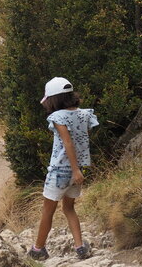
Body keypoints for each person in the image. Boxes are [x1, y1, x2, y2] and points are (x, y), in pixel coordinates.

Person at [28, 77, 98, 261]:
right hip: (78, 171)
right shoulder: (85, 114)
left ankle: (38, 249)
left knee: (47, 211)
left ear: (54, 99)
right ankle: (80, 246)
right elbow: (82, 139)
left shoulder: (57, 117)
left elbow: (68, 143)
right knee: (69, 209)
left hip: (61, 170)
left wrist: (74, 169)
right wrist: (78, 170)